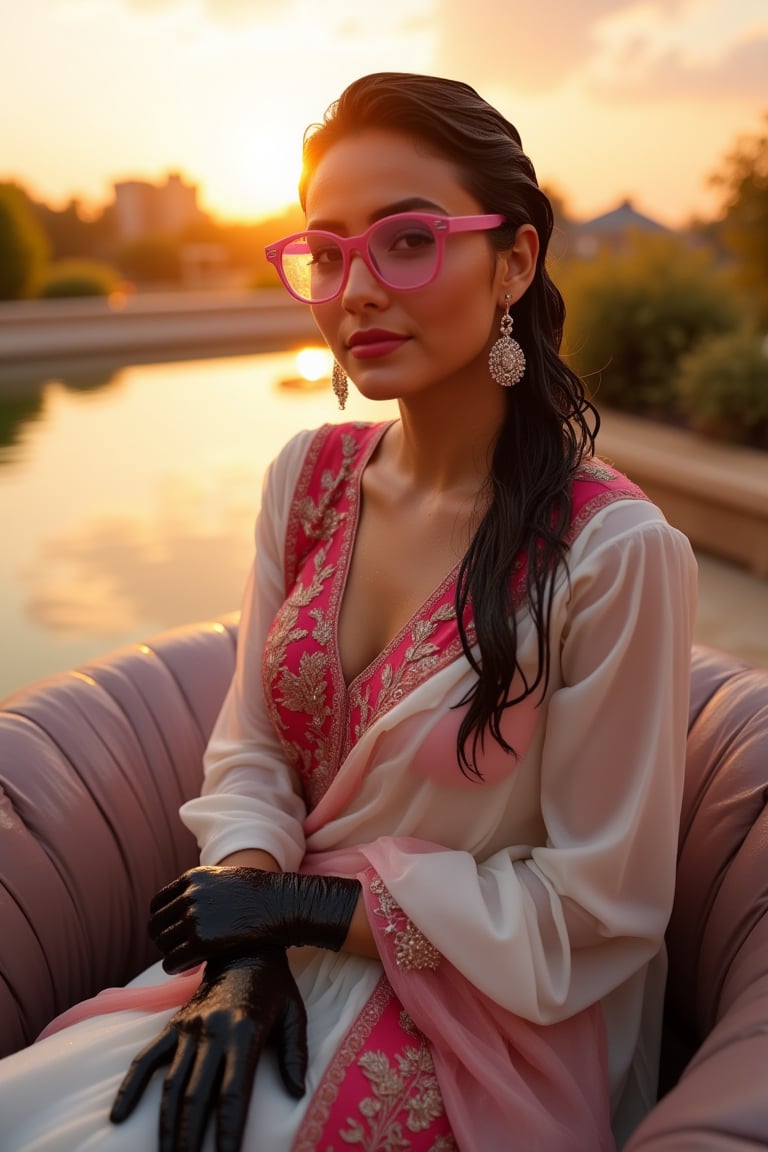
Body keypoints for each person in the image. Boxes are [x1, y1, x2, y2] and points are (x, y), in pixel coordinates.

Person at [0, 72, 697, 1152]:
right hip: (274, 952)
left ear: (514, 258)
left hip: (485, 1011)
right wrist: (242, 951)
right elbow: (253, 756)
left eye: (407, 240)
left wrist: (310, 911)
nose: (355, 289)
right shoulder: (309, 479)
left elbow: (595, 914)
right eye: (326, 253)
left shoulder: (615, 555)